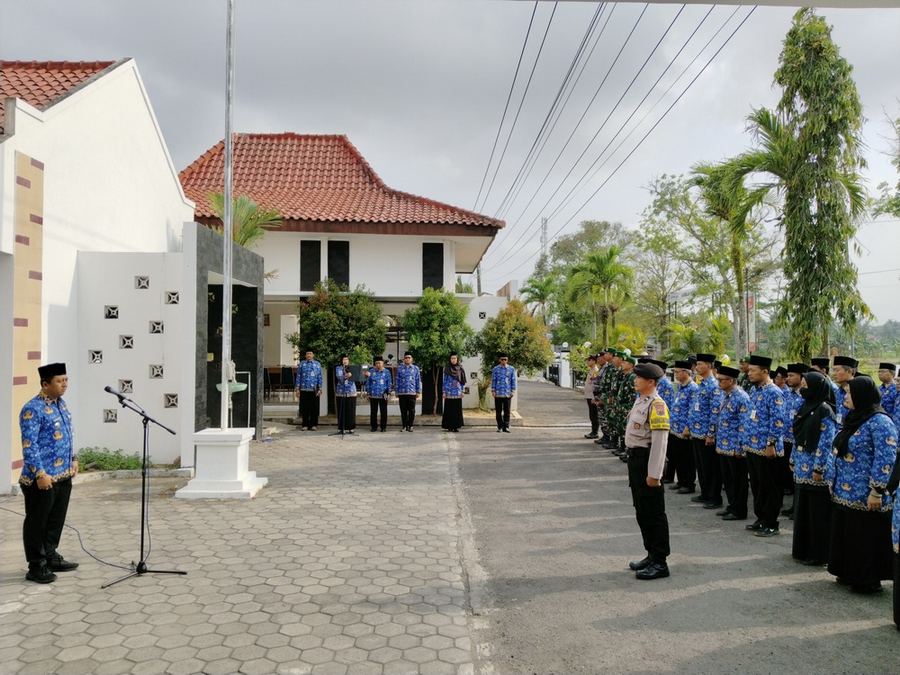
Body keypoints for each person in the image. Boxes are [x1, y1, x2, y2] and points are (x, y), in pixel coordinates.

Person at [828, 375, 897, 594]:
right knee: (848, 534)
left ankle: (867, 580)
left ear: (862, 395)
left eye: (850, 393)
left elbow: (886, 458)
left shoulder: (880, 421)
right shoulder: (855, 417)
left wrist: (877, 490)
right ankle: (848, 572)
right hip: (846, 490)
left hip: (866, 493)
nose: (846, 396)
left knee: (865, 536)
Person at [20, 362, 79, 584]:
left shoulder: (61, 405)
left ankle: (50, 555)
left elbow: (69, 434)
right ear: (45, 384)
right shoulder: (31, 409)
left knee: (56, 520)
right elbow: (29, 445)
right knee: (38, 522)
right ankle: (36, 565)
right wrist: (40, 474)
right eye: (59, 381)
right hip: (42, 478)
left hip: (63, 475)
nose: (64, 385)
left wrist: (74, 459)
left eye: (66, 380)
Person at [624, 362, 672, 580]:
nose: (635, 380)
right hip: (635, 461)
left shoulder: (657, 405)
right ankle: (651, 554)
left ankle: (661, 562)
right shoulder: (641, 401)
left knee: (653, 513)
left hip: (647, 461)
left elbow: (660, 442)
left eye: (638, 378)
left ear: (650, 381)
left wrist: (655, 474)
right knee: (642, 511)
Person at [790, 371, 837, 566]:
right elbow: (797, 434)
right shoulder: (805, 405)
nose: (802, 388)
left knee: (817, 514)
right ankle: (803, 549)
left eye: (806, 385)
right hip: (801, 466)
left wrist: (819, 468)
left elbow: (826, 442)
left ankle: (819, 553)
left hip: (816, 470)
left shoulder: (825, 410)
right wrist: (792, 458)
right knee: (803, 511)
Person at [743, 355, 786, 538]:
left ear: (765, 371)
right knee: (757, 486)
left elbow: (778, 421)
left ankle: (771, 523)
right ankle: (761, 518)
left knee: (770, 487)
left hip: (766, 448)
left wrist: (771, 444)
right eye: (749, 370)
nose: (749, 373)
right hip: (752, 446)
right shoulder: (755, 390)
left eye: (753, 370)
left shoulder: (773, 392)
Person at [714, 365, 751, 521]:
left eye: (721, 380)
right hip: (723, 444)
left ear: (731, 381)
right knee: (728, 479)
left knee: (738, 481)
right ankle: (732, 505)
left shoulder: (741, 397)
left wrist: (740, 447)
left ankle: (739, 510)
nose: (719, 383)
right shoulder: (727, 395)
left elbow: (745, 424)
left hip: (735, 446)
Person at [690, 354, 723, 510]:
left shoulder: (714, 385)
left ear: (709, 366)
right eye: (696, 364)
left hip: (706, 433)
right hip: (696, 431)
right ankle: (705, 492)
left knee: (710, 467)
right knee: (701, 466)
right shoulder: (701, 384)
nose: (697, 367)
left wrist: (711, 433)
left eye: (700, 364)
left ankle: (714, 496)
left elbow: (715, 411)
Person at [780, 363, 809, 514]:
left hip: (798, 441)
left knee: (798, 476)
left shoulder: (804, 396)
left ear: (802, 377)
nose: (787, 379)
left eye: (791, 376)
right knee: (789, 476)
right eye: (787, 376)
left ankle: (798, 508)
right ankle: (793, 507)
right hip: (785, 438)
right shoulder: (788, 393)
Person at [294, 349, 323, 431]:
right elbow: (298, 376)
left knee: (314, 408)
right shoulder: (302, 364)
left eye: (310, 354)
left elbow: (319, 377)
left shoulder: (317, 364)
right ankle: (305, 424)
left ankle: (314, 424)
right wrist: (297, 388)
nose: (309, 355)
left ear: (313, 355)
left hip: (314, 389)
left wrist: (320, 388)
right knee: (305, 408)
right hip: (304, 389)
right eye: (307, 354)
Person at [395, 351, 421, 432]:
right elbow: (397, 380)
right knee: (403, 410)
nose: (407, 359)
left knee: (411, 410)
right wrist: (396, 391)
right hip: (402, 393)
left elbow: (418, 380)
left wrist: (418, 391)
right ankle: (404, 426)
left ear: (412, 359)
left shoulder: (415, 369)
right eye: (406, 358)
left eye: (409, 358)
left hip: (412, 392)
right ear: (404, 359)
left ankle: (411, 425)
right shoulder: (400, 368)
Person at [491, 353, 517, 433]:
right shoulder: (496, 369)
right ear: (499, 360)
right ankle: (500, 426)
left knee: (507, 411)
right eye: (502, 359)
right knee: (498, 411)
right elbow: (493, 380)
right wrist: (493, 390)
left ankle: (506, 426)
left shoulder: (511, 369)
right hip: (498, 393)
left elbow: (513, 380)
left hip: (507, 393)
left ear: (507, 360)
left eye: (505, 359)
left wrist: (513, 391)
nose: (503, 361)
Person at [441, 352, 467, 433]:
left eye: (455, 358)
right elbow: (445, 381)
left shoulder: (460, 368)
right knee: (449, 410)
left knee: (457, 410)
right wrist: (444, 391)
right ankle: (449, 426)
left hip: (458, 392)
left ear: (457, 359)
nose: (453, 360)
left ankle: (456, 426)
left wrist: (462, 391)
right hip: (449, 392)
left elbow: (462, 381)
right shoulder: (447, 368)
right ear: (450, 359)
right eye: (452, 358)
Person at [366, 356, 392, 432]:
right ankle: (373, 427)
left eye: (379, 363)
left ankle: (383, 427)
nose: (378, 364)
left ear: (383, 363)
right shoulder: (371, 371)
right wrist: (368, 393)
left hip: (383, 394)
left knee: (383, 411)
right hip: (373, 394)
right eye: (376, 363)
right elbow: (368, 383)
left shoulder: (386, 372)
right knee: (373, 412)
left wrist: (389, 393)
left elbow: (389, 383)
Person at [831, 355, 858, 427]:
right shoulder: (837, 392)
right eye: (833, 370)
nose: (834, 374)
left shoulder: (858, 392)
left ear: (849, 371)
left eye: (837, 370)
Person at [334, 354, 357, 433]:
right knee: (341, 410)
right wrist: (346, 375)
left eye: (347, 359)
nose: (345, 361)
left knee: (351, 410)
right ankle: (342, 428)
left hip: (351, 391)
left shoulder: (352, 368)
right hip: (341, 391)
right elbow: (339, 377)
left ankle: (351, 427)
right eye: (344, 359)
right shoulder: (338, 368)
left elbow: (357, 377)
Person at [583, 354, 601, 440]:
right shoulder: (591, 371)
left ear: (593, 361)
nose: (587, 362)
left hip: (592, 396)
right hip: (589, 395)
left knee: (594, 414)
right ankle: (593, 431)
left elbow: (595, 385)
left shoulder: (595, 371)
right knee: (592, 414)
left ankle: (595, 432)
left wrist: (595, 397)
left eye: (589, 360)